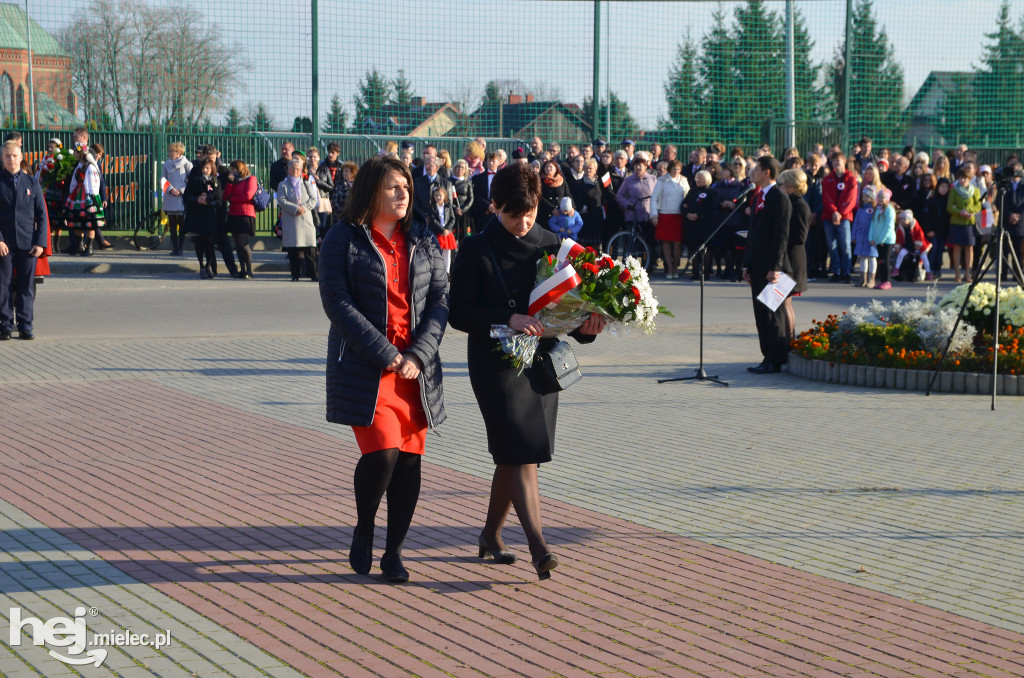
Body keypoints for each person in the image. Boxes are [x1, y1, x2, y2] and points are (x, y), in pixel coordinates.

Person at [448, 162, 605, 580]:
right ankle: (538, 546)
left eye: (530, 211)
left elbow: (569, 311)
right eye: (514, 213)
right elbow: (459, 313)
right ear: (495, 206)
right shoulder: (475, 249)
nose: (523, 222)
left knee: (515, 453)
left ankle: (489, 535)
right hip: (494, 364)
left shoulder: (553, 243)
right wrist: (508, 317)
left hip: (539, 363)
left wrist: (589, 327)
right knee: (518, 450)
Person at [319, 155, 448, 583]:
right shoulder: (344, 238)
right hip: (367, 366)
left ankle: (393, 553)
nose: (402, 195)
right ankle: (364, 525)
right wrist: (385, 353)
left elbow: (440, 302)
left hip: (415, 369)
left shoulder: (423, 239)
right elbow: (337, 302)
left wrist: (417, 355)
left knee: (409, 462)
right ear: (371, 190)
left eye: (407, 188)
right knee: (384, 452)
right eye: (393, 187)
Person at [743, 156, 792, 374]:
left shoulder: (779, 198)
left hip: (772, 269)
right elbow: (752, 235)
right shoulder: (757, 197)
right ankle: (766, 356)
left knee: (773, 316)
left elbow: (781, 236)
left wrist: (776, 267)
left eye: (756, 169)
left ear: (767, 173)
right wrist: (747, 264)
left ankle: (777, 358)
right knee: (760, 316)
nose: (752, 172)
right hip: (756, 266)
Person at [0, 141, 48, 340]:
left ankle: (25, 325)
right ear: (3, 159)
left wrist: (40, 243)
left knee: (26, 286)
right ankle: (4, 325)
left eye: (14, 156)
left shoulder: (32, 182)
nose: (11, 159)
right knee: (3, 285)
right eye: (7, 156)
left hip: (28, 244)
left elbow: (42, 215)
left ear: (21, 157)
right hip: (5, 245)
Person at [777, 169, 811, 343]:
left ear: (791, 186)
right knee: (782, 303)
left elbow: (800, 236)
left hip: (792, 261)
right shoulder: (789, 202)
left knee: (785, 304)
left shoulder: (799, 205)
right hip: (787, 260)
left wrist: (778, 235)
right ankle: (787, 342)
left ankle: (789, 342)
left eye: (781, 184)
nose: (779, 187)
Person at [277, 158, 319, 282]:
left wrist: (303, 208)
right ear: (288, 169)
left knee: (310, 251)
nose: (296, 171)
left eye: (298, 169)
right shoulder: (283, 185)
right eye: (293, 168)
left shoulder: (306, 183)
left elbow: (313, 199)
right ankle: (295, 274)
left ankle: (313, 274)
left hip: (306, 220)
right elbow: (281, 201)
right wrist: (295, 209)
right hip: (291, 220)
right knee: (293, 250)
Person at [821, 152, 857, 283]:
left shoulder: (851, 179)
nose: (836, 163)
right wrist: (834, 212)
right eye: (834, 161)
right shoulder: (827, 179)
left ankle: (846, 272)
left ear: (844, 161)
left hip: (844, 217)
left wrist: (840, 213)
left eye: (839, 161)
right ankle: (835, 271)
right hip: (829, 216)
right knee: (832, 245)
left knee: (845, 245)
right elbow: (826, 198)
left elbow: (851, 200)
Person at [183, 157, 222, 279]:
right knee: (198, 242)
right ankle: (201, 266)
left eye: (208, 168)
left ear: (212, 169)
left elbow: (219, 201)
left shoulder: (215, 182)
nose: (205, 170)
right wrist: (197, 200)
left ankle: (208, 265)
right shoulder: (195, 180)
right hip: (196, 214)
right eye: (204, 168)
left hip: (209, 216)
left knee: (210, 242)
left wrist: (209, 202)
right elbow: (186, 196)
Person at [650, 160, 689, 279]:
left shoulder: (683, 180)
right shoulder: (661, 181)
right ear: (669, 170)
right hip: (665, 214)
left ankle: (676, 266)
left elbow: (687, 195)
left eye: (678, 169)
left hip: (678, 215)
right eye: (673, 169)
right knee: (665, 242)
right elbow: (654, 198)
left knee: (677, 243)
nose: (676, 172)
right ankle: (669, 268)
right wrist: (654, 215)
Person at [65, 141, 104, 257]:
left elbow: (93, 184)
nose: (74, 155)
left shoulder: (91, 167)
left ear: (81, 153)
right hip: (78, 195)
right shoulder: (80, 165)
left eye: (76, 152)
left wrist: (91, 199)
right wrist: (72, 193)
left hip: (88, 195)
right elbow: (74, 181)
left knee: (90, 222)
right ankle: (79, 246)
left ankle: (89, 247)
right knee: (78, 221)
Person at [222, 160, 258, 279]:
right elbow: (226, 196)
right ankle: (242, 269)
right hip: (233, 213)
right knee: (237, 244)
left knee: (243, 243)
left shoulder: (250, 179)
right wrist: (229, 183)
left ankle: (249, 269)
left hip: (246, 214)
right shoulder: (232, 182)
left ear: (241, 169)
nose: (232, 172)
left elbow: (248, 196)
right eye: (231, 169)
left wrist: (233, 198)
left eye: (234, 169)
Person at [680, 170, 717, 280]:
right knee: (692, 248)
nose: (698, 180)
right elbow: (683, 205)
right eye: (697, 178)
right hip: (691, 225)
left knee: (706, 249)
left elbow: (712, 207)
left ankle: (705, 273)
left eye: (700, 178)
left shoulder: (712, 192)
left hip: (705, 225)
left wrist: (699, 215)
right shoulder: (692, 191)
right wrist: (687, 214)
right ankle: (695, 272)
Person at [946, 168, 982, 283]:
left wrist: (969, 211)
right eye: (960, 178)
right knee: (957, 248)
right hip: (957, 222)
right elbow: (950, 207)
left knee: (969, 248)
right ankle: (957, 273)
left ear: (969, 179)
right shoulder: (954, 191)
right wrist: (960, 212)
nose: (962, 180)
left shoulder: (975, 191)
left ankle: (967, 273)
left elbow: (978, 205)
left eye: (965, 178)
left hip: (969, 223)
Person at [712, 161, 746, 281]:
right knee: (724, 247)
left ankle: (735, 270)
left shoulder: (740, 186)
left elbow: (743, 202)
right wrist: (722, 204)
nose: (723, 172)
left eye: (725, 170)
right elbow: (714, 199)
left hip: (735, 220)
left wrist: (734, 205)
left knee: (734, 248)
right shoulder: (717, 185)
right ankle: (728, 269)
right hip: (722, 220)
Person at [161, 142, 192, 256]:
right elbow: (163, 179)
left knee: (182, 225)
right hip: (170, 198)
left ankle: (181, 248)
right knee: (172, 225)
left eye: (171, 151)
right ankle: (175, 248)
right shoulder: (166, 164)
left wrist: (181, 190)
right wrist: (170, 189)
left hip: (182, 199)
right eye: (169, 151)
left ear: (178, 153)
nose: (169, 153)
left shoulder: (187, 164)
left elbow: (192, 181)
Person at [569, 158, 604, 249]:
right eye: (586, 168)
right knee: (583, 245)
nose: (588, 170)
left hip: (597, 217)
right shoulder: (578, 183)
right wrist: (582, 208)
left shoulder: (599, 183)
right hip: (585, 216)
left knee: (595, 245)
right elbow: (575, 198)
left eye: (590, 168)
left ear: (595, 170)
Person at [412, 155, 451, 228]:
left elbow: (448, 204)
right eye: (426, 164)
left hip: (441, 224)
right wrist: (425, 215)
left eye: (430, 165)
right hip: (423, 221)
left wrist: (435, 216)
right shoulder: (417, 182)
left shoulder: (446, 183)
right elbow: (415, 202)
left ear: (437, 167)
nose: (427, 167)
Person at [893, 210, 933, 281]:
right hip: (908, 245)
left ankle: (928, 272)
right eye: (901, 219)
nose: (902, 221)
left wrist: (918, 244)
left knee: (924, 258)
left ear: (909, 220)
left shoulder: (915, 226)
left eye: (904, 219)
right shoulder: (900, 228)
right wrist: (897, 246)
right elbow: (898, 239)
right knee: (901, 254)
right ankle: (896, 268)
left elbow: (920, 235)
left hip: (919, 246)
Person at [869, 188, 896, 289]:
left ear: (887, 199)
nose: (880, 199)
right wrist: (871, 238)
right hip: (878, 240)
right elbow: (873, 224)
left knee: (885, 260)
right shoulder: (877, 209)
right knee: (880, 261)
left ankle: (887, 281)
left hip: (886, 240)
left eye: (883, 197)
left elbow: (889, 226)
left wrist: (881, 239)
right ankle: (882, 280)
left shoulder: (889, 209)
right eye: (879, 197)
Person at [426, 184, 457, 273]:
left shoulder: (448, 206)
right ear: (433, 196)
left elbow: (452, 219)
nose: (438, 197)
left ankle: (447, 272)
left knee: (447, 253)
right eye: (436, 195)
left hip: (447, 233)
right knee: (437, 252)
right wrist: (442, 230)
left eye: (440, 195)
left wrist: (447, 229)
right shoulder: (431, 207)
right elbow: (433, 220)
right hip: (437, 232)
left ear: (444, 196)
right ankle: (437, 270)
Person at [851, 186, 878, 288]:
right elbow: (856, 223)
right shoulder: (861, 209)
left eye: (867, 196)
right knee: (862, 257)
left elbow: (876, 224)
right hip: (861, 236)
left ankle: (872, 279)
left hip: (871, 237)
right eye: (863, 196)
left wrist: (876, 237)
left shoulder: (875, 210)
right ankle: (863, 279)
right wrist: (854, 235)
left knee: (872, 257)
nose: (865, 198)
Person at [307, 147, 334, 240]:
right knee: (311, 226)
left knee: (322, 226)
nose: (312, 159)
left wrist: (318, 180)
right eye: (310, 157)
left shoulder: (324, 170)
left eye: (314, 157)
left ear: (318, 158)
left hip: (322, 201)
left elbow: (331, 187)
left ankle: (322, 248)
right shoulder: (305, 170)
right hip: (309, 202)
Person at [471, 152, 500, 229]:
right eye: (489, 161)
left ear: (498, 162)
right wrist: (487, 205)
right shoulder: (479, 177)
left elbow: (504, 193)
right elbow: (476, 194)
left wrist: (495, 206)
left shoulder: (503, 177)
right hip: (482, 213)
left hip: (498, 212)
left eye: (493, 161)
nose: (491, 163)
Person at [537, 160, 569, 229]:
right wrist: (552, 209)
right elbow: (539, 197)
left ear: (556, 168)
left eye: (551, 167)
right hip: (545, 214)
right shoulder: (540, 181)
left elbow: (568, 195)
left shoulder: (562, 181)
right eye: (546, 167)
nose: (548, 169)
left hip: (560, 214)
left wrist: (570, 207)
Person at [449, 159, 475, 241]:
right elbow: (447, 199)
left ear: (465, 170)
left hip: (464, 213)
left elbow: (471, 199)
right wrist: (454, 208)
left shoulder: (468, 182)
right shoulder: (449, 181)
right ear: (455, 168)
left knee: (465, 237)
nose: (460, 169)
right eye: (458, 167)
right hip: (452, 212)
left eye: (463, 168)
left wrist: (463, 210)